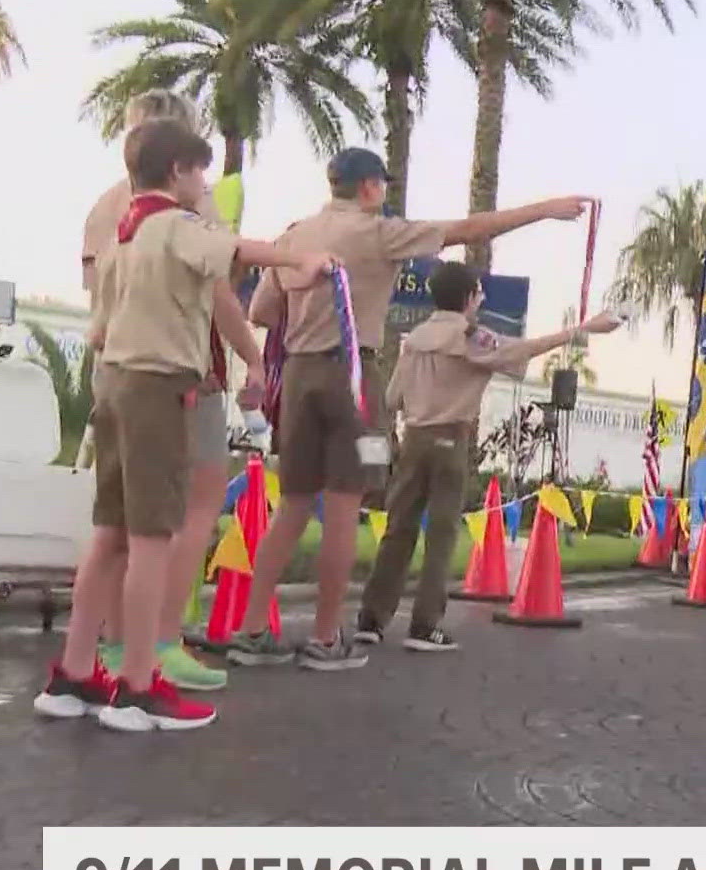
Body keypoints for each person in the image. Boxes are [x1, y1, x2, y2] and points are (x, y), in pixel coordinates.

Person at [225, 147, 594, 672]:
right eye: (382, 184)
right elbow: (469, 229)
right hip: (351, 372)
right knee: (344, 510)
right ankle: (327, 637)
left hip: (300, 376)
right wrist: (545, 208)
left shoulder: (294, 236)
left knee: (291, 509)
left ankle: (253, 629)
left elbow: (261, 310)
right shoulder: (379, 233)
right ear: (369, 187)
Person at [33, 119, 333, 731]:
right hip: (157, 387)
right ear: (178, 172)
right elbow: (235, 254)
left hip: (113, 383)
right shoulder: (177, 225)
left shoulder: (125, 233)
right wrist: (305, 257)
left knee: (111, 533)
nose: (205, 182)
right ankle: (139, 686)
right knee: (151, 539)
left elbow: (98, 328)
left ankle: (74, 674)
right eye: (200, 170)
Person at [78, 89, 264, 694]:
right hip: (181, 373)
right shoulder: (185, 210)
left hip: (115, 371)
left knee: (116, 522)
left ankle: (102, 648)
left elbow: (99, 299)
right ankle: (155, 647)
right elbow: (218, 292)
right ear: (179, 157)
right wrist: (254, 358)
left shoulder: (109, 208)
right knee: (188, 507)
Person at [353, 261, 619, 651]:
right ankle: (425, 627)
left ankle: (371, 621)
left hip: (413, 440)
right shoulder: (471, 337)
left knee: (397, 531)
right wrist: (585, 328)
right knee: (441, 536)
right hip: (450, 440)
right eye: (478, 293)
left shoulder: (415, 340)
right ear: (467, 298)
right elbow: (526, 349)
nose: (481, 299)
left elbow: (390, 399)